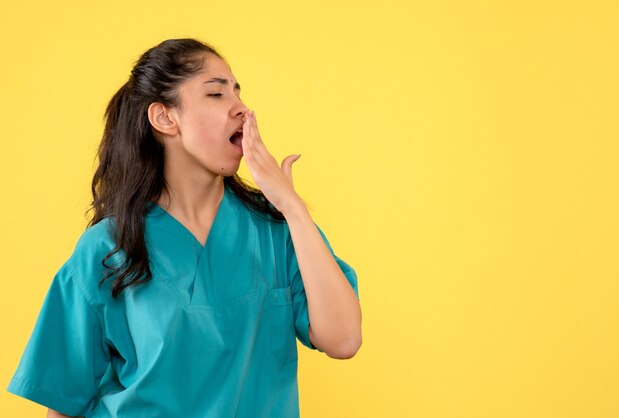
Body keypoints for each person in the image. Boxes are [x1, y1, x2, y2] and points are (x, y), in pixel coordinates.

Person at [6, 38, 362, 417]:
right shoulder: (106, 248)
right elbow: (63, 403)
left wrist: (292, 205)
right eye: (216, 94)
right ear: (164, 118)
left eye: (238, 93)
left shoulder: (278, 229)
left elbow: (343, 339)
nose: (241, 108)